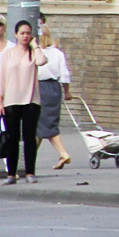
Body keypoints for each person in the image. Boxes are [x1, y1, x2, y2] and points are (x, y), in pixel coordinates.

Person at [0, 20, 47, 185]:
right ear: (16, 34)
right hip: (11, 100)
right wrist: (0, 100)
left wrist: (35, 45)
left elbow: (42, 61)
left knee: (29, 137)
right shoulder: (8, 54)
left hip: (31, 100)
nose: (25, 36)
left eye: (28, 33)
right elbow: (2, 78)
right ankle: (11, 174)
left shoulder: (33, 53)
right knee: (12, 137)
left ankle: (30, 172)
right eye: (22, 33)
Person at [35, 14, 73, 169]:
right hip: (54, 89)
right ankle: (27, 159)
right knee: (44, 124)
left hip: (39, 88)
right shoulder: (57, 53)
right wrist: (67, 92)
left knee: (43, 124)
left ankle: (63, 154)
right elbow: (64, 75)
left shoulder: (36, 53)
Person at [0, 14, 13, 176]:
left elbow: (14, 69)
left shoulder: (11, 48)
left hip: (6, 93)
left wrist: (0, 73)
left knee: (6, 129)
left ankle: (10, 166)